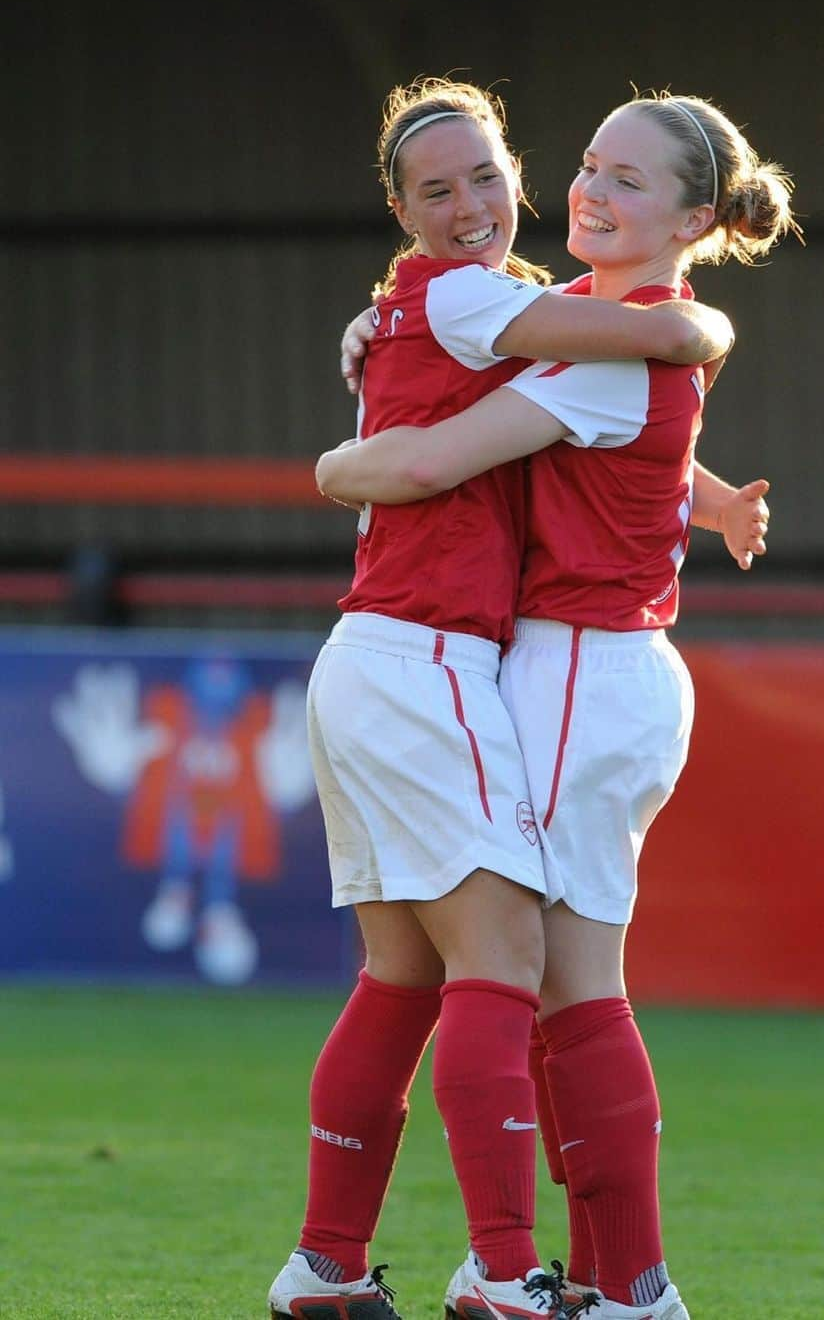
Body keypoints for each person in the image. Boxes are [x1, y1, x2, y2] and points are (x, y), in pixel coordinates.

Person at [268, 79, 738, 1320]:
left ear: (694, 218)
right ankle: (564, 1280)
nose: (591, 187)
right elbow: (606, 361)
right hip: (467, 659)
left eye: (627, 180)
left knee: (526, 979)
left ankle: (568, 1278)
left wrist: (332, 456)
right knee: (515, 977)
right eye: (592, 161)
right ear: (403, 208)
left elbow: (452, 440)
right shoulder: (516, 306)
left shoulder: (508, 308)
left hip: (545, 660)